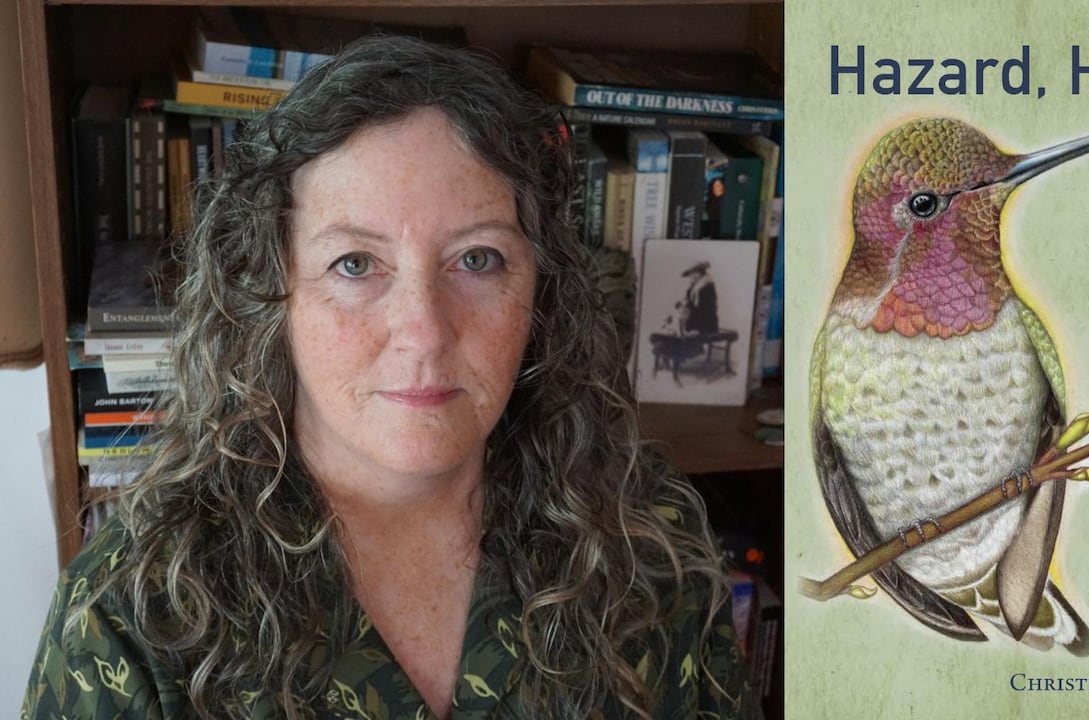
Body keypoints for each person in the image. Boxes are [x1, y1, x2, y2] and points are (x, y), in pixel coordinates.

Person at [24, 36, 752, 720]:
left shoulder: (649, 548)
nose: (424, 332)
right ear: (268, 292)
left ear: (542, 290)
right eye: (354, 265)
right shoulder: (132, 614)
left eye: (477, 260)